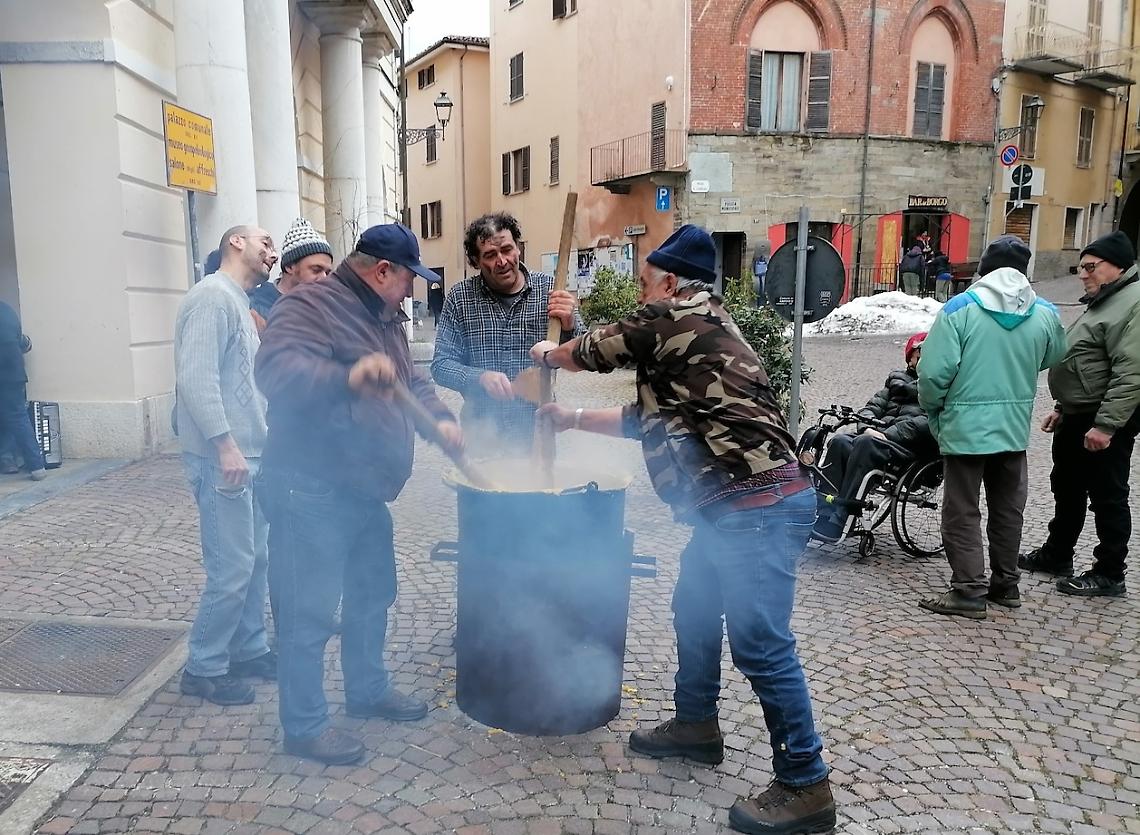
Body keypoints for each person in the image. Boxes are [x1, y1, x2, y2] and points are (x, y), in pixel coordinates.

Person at [530, 224, 835, 835]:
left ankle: (806, 784)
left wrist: (550, 353)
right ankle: (696, 725)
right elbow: (647, 420)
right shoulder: (695, 336)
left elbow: (598, 348)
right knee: (693, 608)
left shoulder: (679, 316)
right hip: (733, 509)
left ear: (670, 283)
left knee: (761, 643)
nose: (642, 296)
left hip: (757, 506)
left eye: (646, 284)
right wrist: (569, 417)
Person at [255, 223, 462, 766]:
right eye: (409, 278)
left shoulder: (385, 316)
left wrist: (440, 420)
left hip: (364, 487)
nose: (413, 289)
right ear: (383, 271)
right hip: (310, 486)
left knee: (372, 593)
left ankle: (367, 689)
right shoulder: (312, 303)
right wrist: (347, 375)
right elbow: (274, 372)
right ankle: (304, 726)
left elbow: (411, 382)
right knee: (308, 612)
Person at [917, 235, 1067, 619]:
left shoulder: (960, 308)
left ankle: (968, 591)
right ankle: (1006, 584)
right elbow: (1053, 355)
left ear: (984, 269)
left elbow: (933, 374)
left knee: (961, 511)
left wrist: (934, 409)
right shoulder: (1045, 311)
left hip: (965, 429)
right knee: (1008, 510)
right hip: (1013, 429)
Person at [174, 225, 278, 705]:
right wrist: (224, 445)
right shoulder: (212, 297)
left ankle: (249, 649)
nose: (272, 252)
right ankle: (204, 666)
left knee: (254, 561)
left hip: (249, 454)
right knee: (231, 567)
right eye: (265, 242)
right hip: (225, 460)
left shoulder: (237, 300)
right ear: (236, 242)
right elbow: (196, 379)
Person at [1020, 230, 1140, 597]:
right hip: (1078, 413)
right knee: (1067, 487)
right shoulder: (1106, 299)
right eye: (1080, 268)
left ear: (1117, 266)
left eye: (1090, 267)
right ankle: (1058, 554)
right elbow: (1087, 359)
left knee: (1108, 495)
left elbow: (1131, 371)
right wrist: (1062, 407)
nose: (1082, 275)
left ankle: (1110, 572)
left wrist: (1106, 425)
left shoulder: (1132, 303)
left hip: (1102, 418)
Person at [431, 212, 583, 451]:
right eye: (490, 255)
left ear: (518, 248)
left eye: (507, 249)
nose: (502, 261)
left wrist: (570, 324)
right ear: (475, 261)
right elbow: (441, 366)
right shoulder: (460, 298)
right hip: (481, 438)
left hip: (538, 435)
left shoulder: (549, 291)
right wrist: (479, 378)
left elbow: (584, 353)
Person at [812, 332, 936, 542]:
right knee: (840, 441)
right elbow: (871, 408)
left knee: (865, 443)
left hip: (908, 448)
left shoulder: (934, 388)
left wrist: (885, 435)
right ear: (910, 359)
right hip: (876, 439)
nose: (924, 360)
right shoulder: (895, 382)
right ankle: (824, 512)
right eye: (919, 355)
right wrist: (866, 427)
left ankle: (842, 516)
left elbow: (926, 423)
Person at [248, 218, 333, 330]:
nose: (324, 278)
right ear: (289, 267)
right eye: (316, 270)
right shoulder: (253, 303)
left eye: (327, 272)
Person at [0, 300, 45, 480]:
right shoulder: (7, 311)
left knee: (12, 417)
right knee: (17, 417)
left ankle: (7, 459)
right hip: (15, 374)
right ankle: (36, 466)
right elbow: (22, 342)